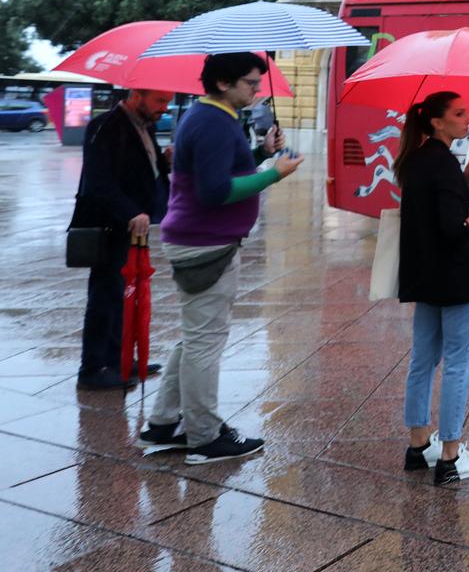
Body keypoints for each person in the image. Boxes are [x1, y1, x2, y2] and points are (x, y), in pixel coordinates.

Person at [138, 53, 301, 464]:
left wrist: (262, 154)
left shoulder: (213, 117)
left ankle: (163, 424)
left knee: (194, 337)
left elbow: (221, 172)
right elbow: (214, 192)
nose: (257, 90)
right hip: (205, 243)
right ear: (224, 83)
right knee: (205, 343)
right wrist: (272, 174)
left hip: (204, 240)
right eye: (251, 83)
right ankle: (204, 436)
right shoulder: (211, 121)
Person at [396, 91, 469, 485]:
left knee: (422, 360)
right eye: (458, 114)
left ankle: (418, 445)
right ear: (437, 122)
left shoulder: (417, 160)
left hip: (426, 279)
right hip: (455, 279)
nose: (466, 119)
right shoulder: (443, 166)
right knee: (457, 363)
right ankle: (451, 457)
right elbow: (449, 226)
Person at [70, 88, 174, 390]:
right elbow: (98, 181)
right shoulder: (105, 126)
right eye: (159, 100)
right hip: (108, 225)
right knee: (104, 297)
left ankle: (119, 361)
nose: (164, 108)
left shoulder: (145, 125)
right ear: (136, 94)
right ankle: (92, 369)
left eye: (168, 101)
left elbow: (141, 171)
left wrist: (165, 162)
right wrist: (130, 211)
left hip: (131, 225)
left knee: (122, 294)